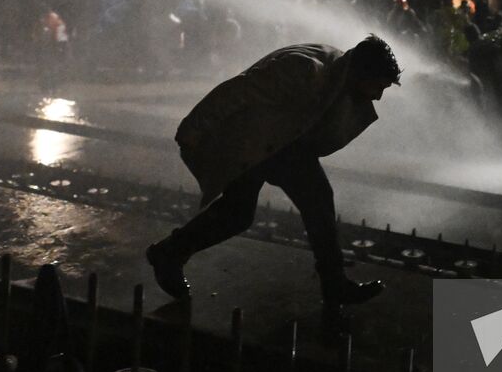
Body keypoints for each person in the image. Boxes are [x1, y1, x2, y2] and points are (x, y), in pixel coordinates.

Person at [146, 35, 401, 318]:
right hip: (249, 141)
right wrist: (193, 128)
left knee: (286, 205)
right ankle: (169, 253)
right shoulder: (306, 70)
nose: (378, 96)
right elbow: (239, 90)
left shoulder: (338, 72)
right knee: (258, 211)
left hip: (279, 143)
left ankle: (334, 284)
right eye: (378, 86)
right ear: (361, 72)